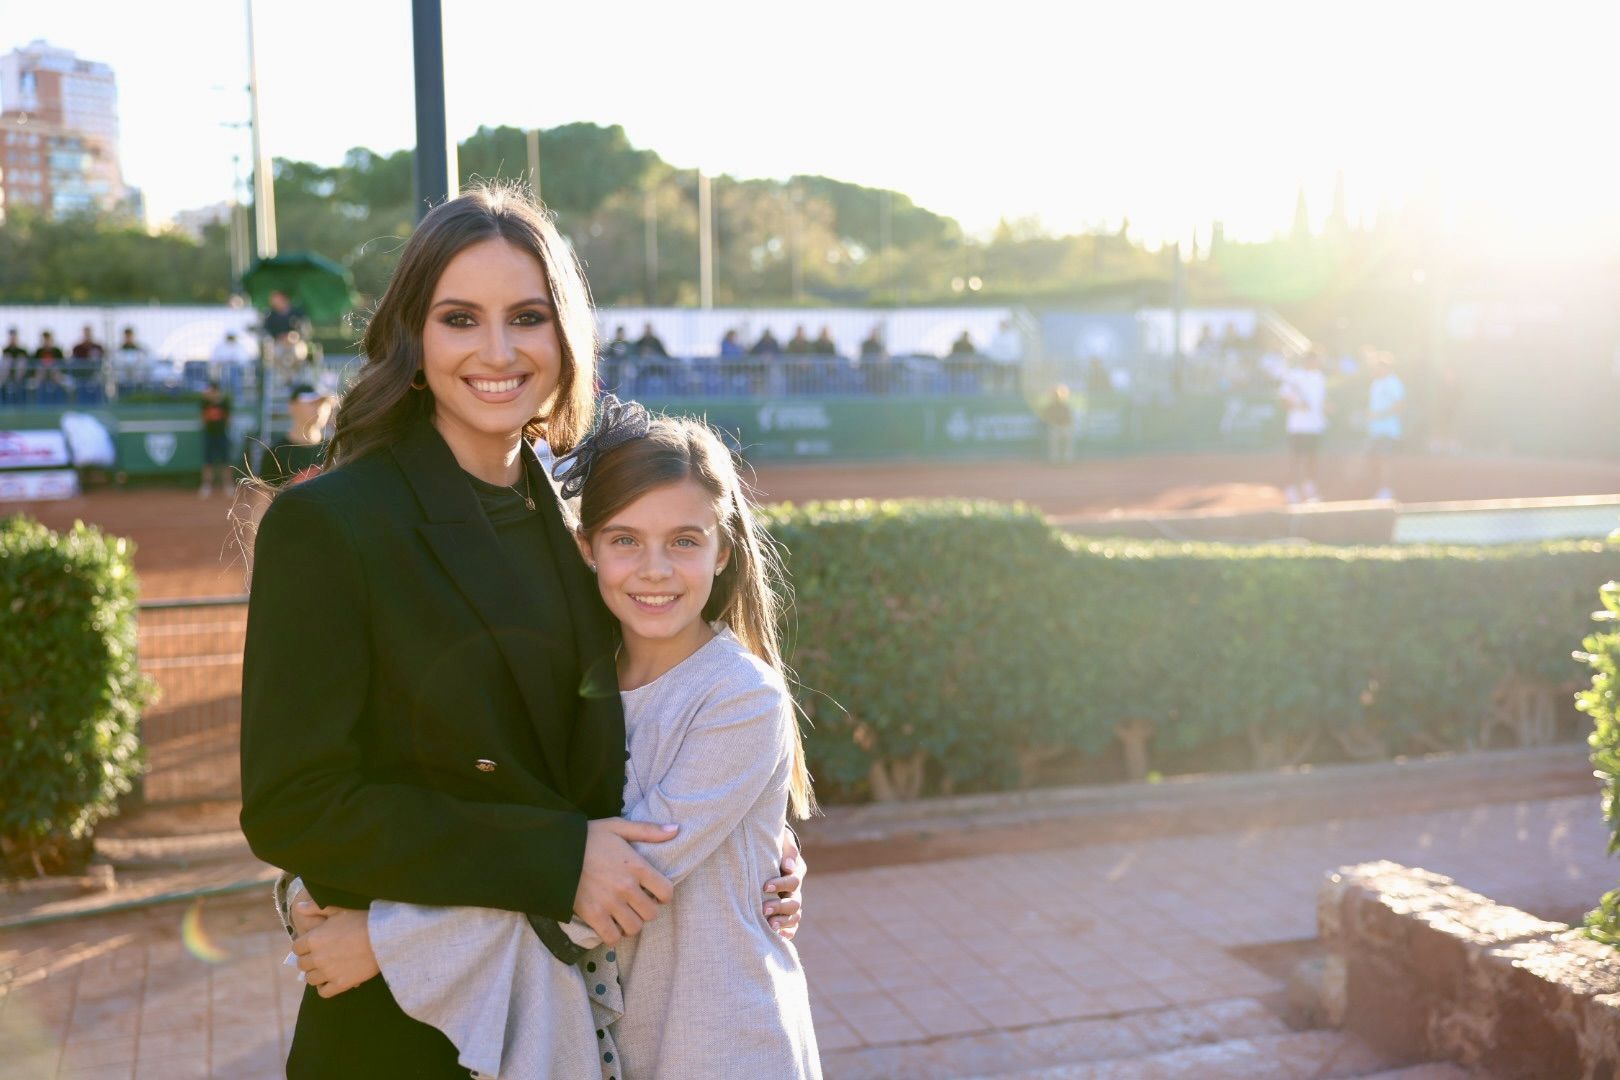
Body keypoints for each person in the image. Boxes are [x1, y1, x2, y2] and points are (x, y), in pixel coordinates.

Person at [237, 185, 803, 1079]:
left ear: (564, 336)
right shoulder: (333, 524)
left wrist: (746, 849)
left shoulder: (576, 524)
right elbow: (293, 805)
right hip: (411, 1035)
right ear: (414, 340)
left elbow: (631, 733)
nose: (497, 352)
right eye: (460, 318)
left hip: (565, 1019)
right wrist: (552, 860)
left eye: (528, 317)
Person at [290, 404, 823, 1079]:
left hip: (721, 1046)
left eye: (685, 540)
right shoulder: (568, 676)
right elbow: (494, 807)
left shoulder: (741, 699)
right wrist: (326, 883)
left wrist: (385, 939)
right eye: (625, 539)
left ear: (724, 550)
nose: (654, 568)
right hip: (603, 1046)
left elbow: (603, 894)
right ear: (586, 547)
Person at [1279, 350, 1329, 503]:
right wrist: (1298, 405)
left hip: (1315, 426)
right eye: (1314, 360)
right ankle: (1291, 490)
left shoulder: (1320, 377)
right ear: (1307, 361)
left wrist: (1326, 407)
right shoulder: (1293, 376)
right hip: (1297, 427)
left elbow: (1320, 401)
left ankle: (1309, 490)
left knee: (1312, 459)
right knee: (1295, 459)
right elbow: (1284, 401)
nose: (1317, 363)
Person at [1365, 351, 1405, 501]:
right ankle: (1378, 490)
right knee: (1375, 460)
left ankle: (1386, 491)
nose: (1377, 370)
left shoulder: (1394, 383)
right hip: (1375, 431)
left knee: (1385, 460)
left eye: (1380, 367)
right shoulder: (1375, 383)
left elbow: (1399, 406)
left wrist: (1379, 415)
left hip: (1388, 431)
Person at [198, 380, 233, 498]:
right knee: (208, 462)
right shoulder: (205, 402)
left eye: (214, 390)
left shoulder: (225, 403)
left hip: (222, 435)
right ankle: (206, 486)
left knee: (226, 461)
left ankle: (228, 485)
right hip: (209, 435)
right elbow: (203, 418)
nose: (212, 393)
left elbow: (229, 419)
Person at [1040, 384, 1076, 464]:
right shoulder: (1049, 406)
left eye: (1058, 396)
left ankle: (1067, 460)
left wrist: (1064, 423)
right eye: (1055, 396)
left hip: (1064, 427)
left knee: (1068, 436)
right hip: (1054, 427)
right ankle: (1054, 460)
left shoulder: (1065, 406)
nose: (1057, 398)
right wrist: (1053, 423)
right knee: (1053, 439)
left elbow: (1069, 418)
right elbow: (1046, 418)